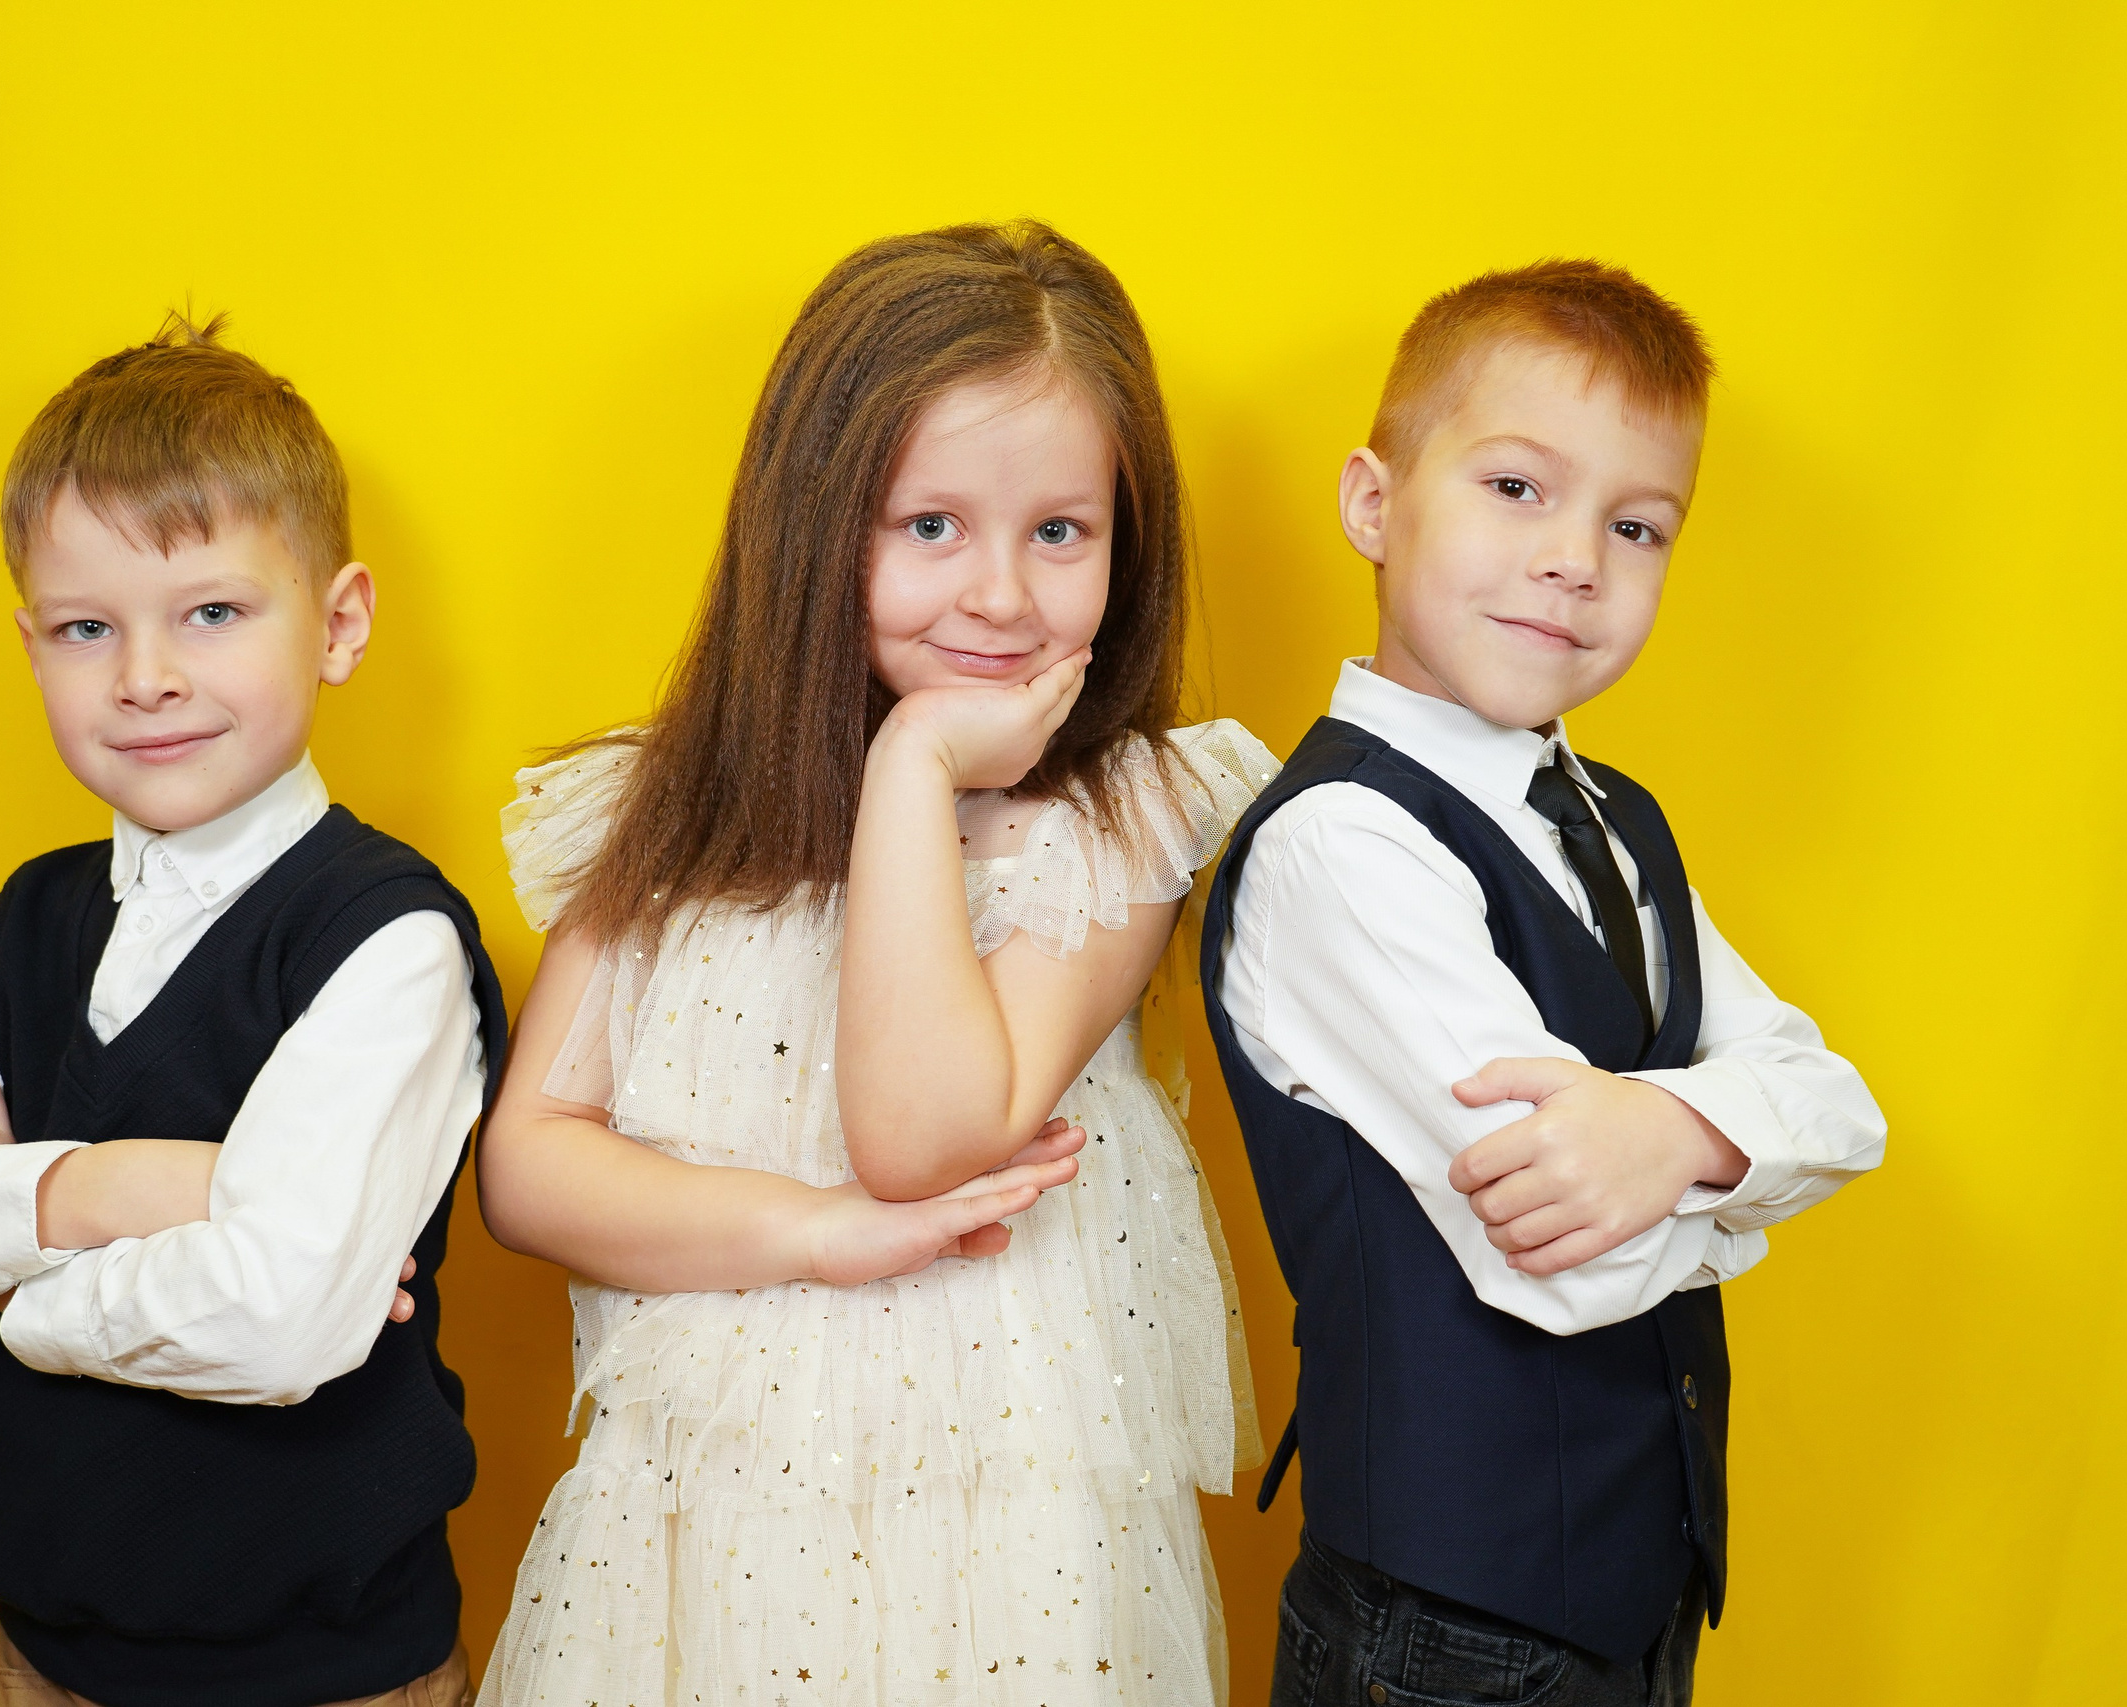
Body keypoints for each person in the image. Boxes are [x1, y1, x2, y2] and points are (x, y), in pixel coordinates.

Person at [473, 221, 1276, 1704]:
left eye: (1061, 532)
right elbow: (529, 1167)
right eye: (930, 528)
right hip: (704, 1527)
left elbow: (923, 1135)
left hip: (1005, 1554)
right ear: (812, 528)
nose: (1000, 595)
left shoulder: (1119, 821)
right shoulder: (670, 814)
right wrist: (810, 1232)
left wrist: (913, 765)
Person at [0, 315, 503, 1707]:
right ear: (31, 641)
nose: (145, 676)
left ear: (340, 623)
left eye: (213, 613)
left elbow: (280, 1320)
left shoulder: (384, 937)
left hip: (330, 1680)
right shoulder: (21, 926)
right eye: (86, 628)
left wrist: (1, 1273)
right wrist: (113, 1193)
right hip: (36, 1662)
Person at [1202, 261, 1887, 1706]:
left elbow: (1842, 1104)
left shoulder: (1616, 821)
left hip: (1634, 1602)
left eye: (1636, 525)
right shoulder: (1344, 846)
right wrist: (1745, 1155)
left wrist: (1675, 1136)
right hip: (1444, 1633)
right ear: (1374, 504)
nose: (1578, 556)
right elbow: (1579, 1266)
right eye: (1518, 488)